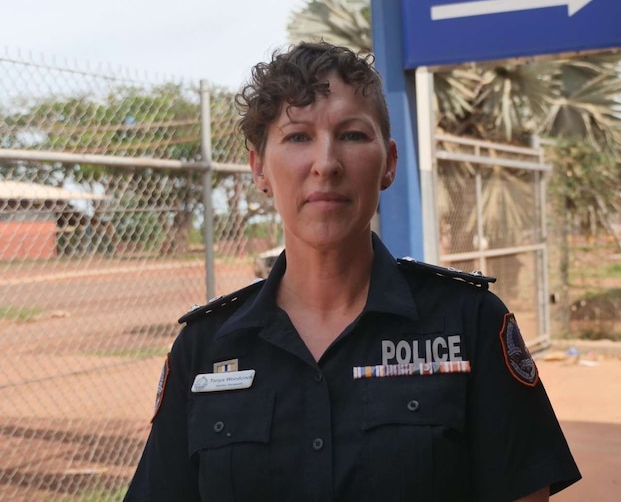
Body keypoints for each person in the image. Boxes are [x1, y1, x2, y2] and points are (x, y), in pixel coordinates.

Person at [124, 41, 581, 501]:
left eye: (353, 135)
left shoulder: (468, 323)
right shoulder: (204, 348)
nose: (326, 164)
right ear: (259, 167)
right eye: (298, 137)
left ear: (390, 163)